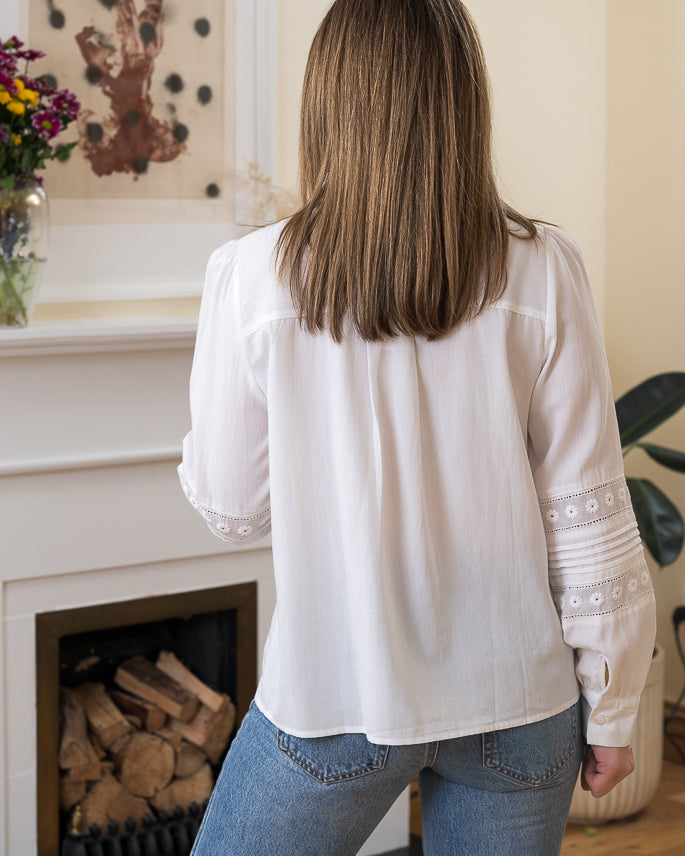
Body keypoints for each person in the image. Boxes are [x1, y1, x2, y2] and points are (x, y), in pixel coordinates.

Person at [178, 1, 656, 853]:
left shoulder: (248, 277)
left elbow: (230, 508)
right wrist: (613, 709)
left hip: (335, 698)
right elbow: (587, 512)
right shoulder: (545, 268)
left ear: (326, 104)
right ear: (461, 103)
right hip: (519, 704)